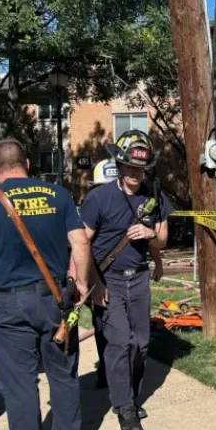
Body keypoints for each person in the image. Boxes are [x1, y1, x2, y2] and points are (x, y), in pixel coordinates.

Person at [0, 138, 91, 430]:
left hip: (8, 305)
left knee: (19, 388)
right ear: (28, 164)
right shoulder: (58, 194)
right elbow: (81, 243)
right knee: (64, 379)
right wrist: (82, 282)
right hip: (55, 300)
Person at [80, 130, 173, 430]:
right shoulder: (98, 198)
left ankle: (129, 395)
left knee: (141, 345)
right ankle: (125, 408)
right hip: (109, 281)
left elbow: (162, 239)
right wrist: (92, 284)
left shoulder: (155, 195)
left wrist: (151, 238)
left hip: (140, 280)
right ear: (119, 165)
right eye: (129, 167)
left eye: (140, 169)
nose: (135, 174)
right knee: (120, 343)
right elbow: (82, 243)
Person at [77, 159, 165, 390]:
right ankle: (108, 373)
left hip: (132, 274)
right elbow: (82, 243)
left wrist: (158, 262)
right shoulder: (97, 201)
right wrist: (86, 280)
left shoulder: (143, 199)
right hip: (101, 273)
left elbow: (152, 240)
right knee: (105, 326)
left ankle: (118, 378)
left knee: (124, 334)